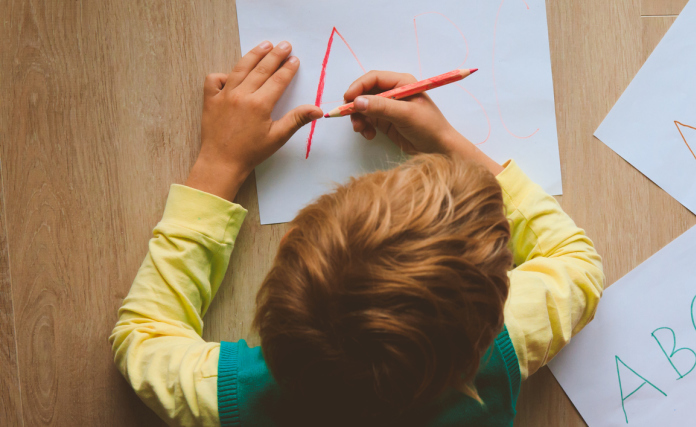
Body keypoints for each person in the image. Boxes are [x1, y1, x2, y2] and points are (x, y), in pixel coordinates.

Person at [110, 39, 604, 426]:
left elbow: (141, 343)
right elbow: (577, 262)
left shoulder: (245, 396)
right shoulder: (495, 350)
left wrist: (219, 164)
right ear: (495, 308)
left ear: (288, 250)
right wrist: (447, 141)